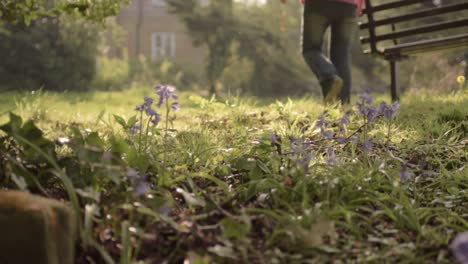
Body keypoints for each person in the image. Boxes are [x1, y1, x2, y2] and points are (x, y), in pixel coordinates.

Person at [281, 0, 363, 104]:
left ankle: (330, 77)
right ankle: (343, 106)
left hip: (318, 4)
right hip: (349, 6)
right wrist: (357, 7)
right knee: (341, 55)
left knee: (310, 49)